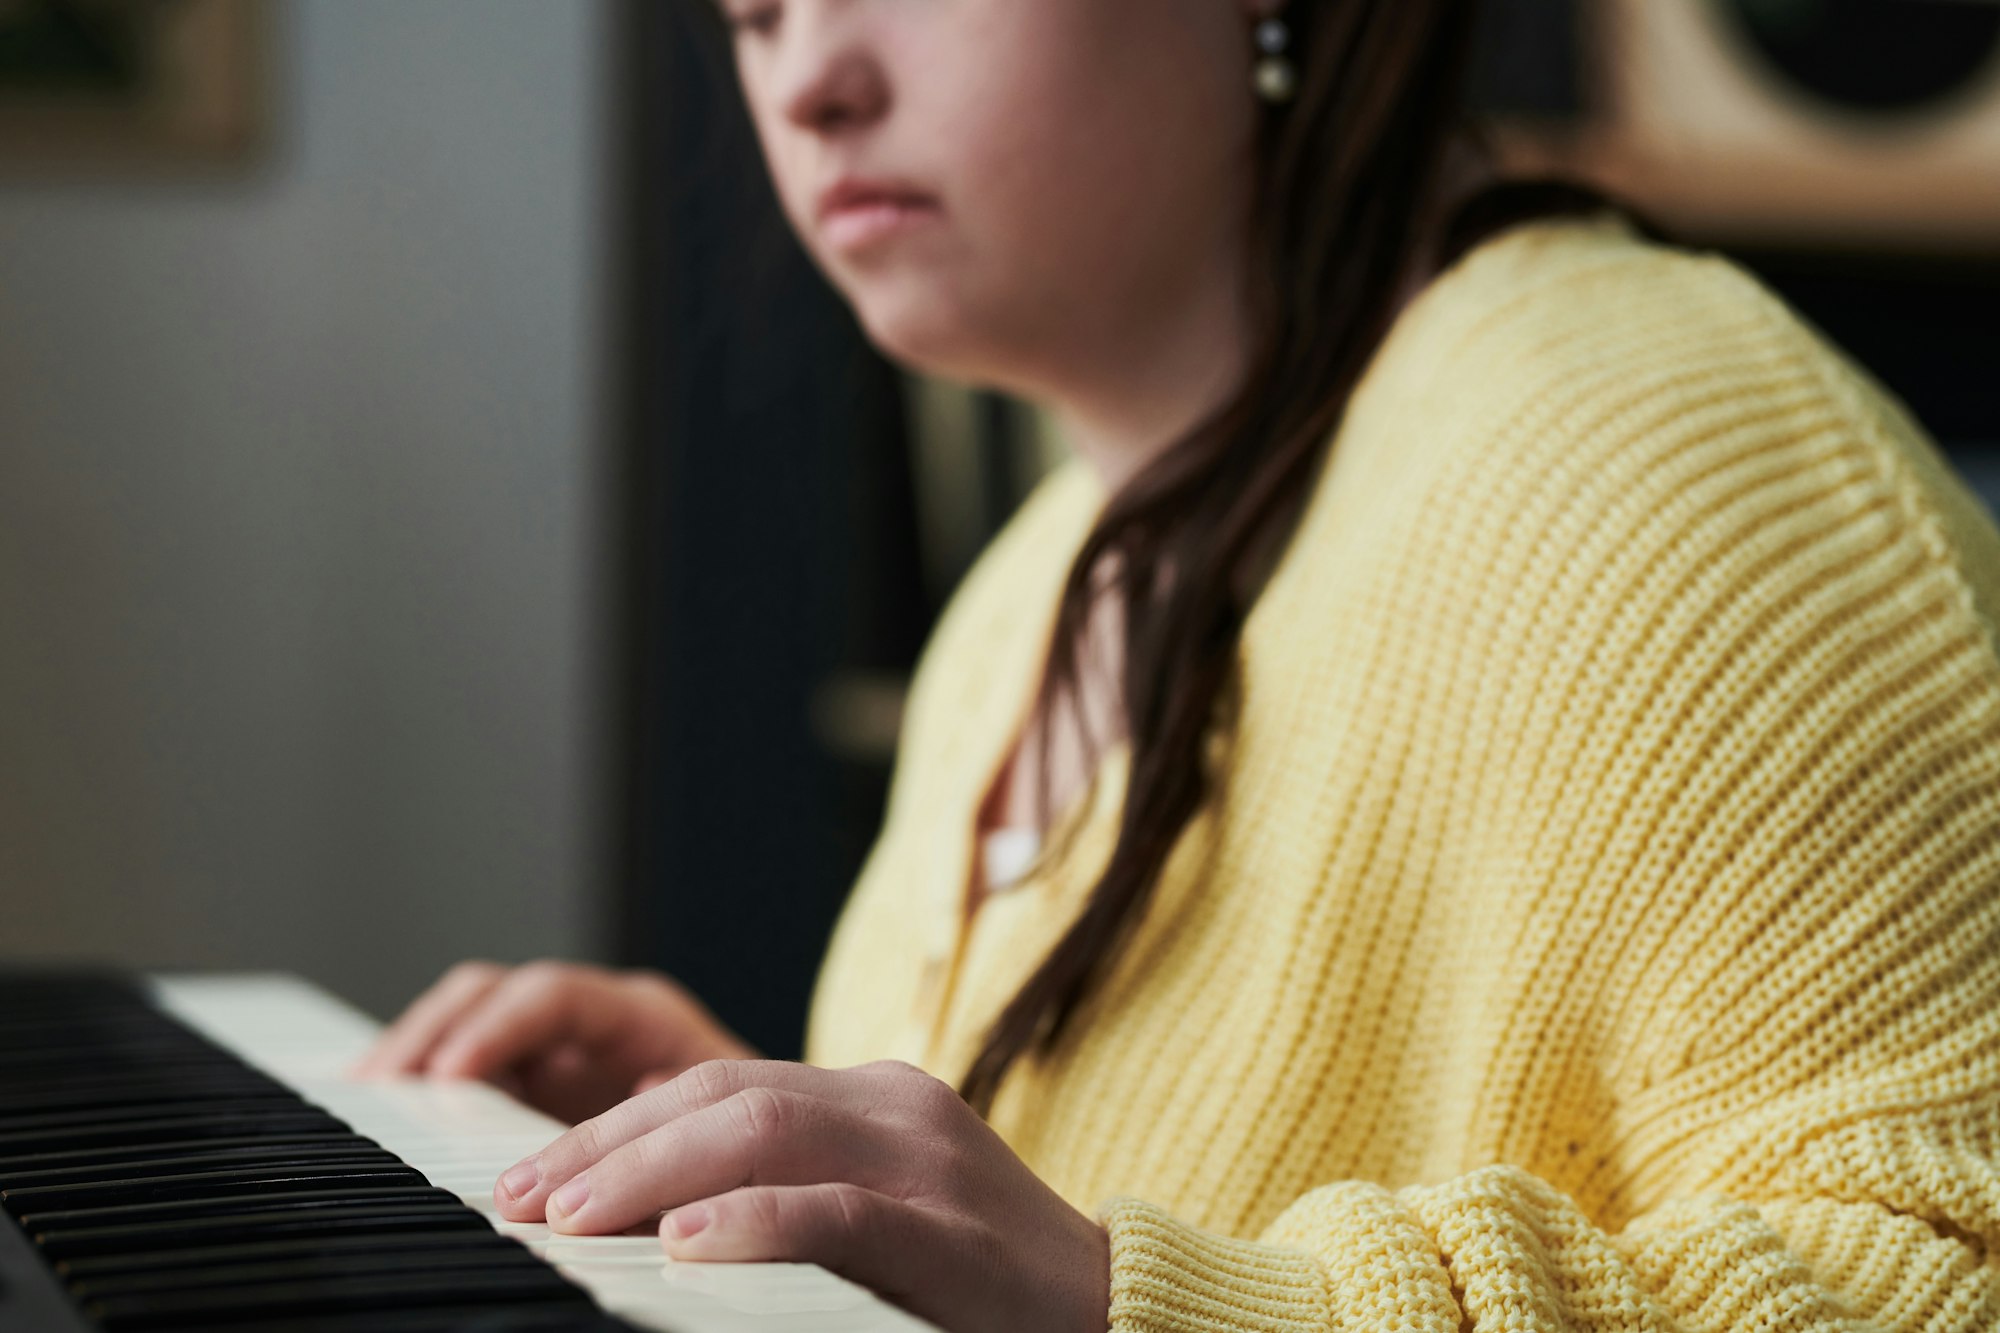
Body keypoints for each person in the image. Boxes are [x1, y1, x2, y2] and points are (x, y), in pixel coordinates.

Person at [355, 0, 2000, 1329]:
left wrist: (1140, 1311)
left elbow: (1949, 1277)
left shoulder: (1679, 461)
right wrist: (780, 1172)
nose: (813, 80)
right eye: (755, 12)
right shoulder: (1022, 599)